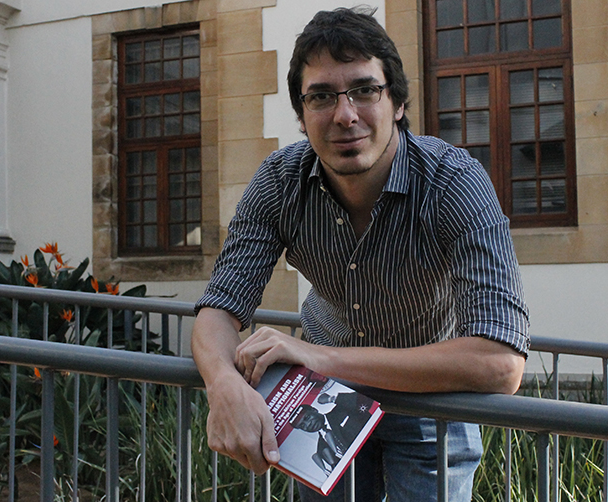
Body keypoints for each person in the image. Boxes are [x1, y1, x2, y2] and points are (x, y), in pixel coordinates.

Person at [191, 6, 529, 502]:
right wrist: (222, 383)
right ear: (303, 116)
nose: (345, 115)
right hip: (326, 405)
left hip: (429, 400)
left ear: (397, 102)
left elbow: (501, 363)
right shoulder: (280, 182)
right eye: (322, 96)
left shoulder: (454, 182)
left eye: (365, 90)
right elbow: (218, 308)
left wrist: (320, 357)